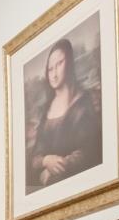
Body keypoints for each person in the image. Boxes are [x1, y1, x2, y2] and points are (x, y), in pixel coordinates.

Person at [26, 37, 102, 191]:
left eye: (59, 64)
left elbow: (90, 150)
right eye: (50, 68)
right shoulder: (45, 111)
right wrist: (46, 160)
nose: (53, 73)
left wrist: (56, 168)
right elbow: (35, 157)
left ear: (69, 64)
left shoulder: (85, 101)